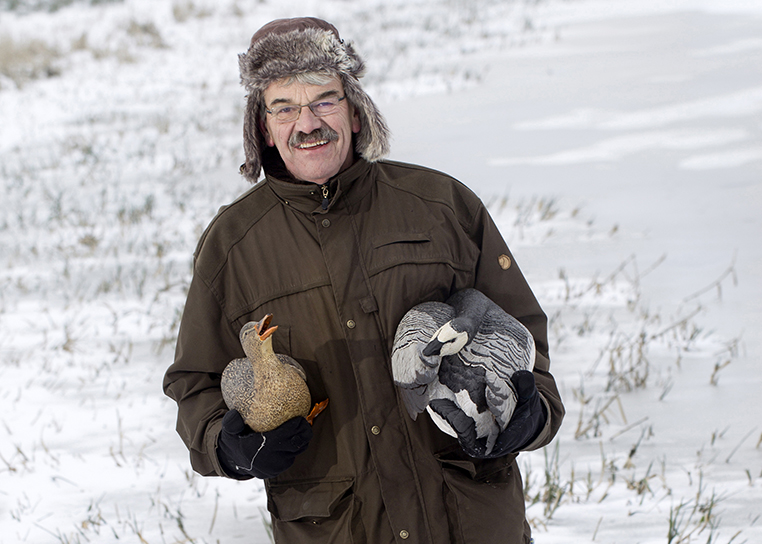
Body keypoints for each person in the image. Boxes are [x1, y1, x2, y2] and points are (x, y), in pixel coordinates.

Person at [163, 17, 564, 544]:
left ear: (355, 111)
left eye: (324, 101)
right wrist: (231, 446)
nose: (307, 124)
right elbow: (195, 384)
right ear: (262, 127)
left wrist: (528, 415)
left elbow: (523, 340)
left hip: (471, 521)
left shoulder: (441, 206)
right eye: (284, 107)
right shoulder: (232, 246)